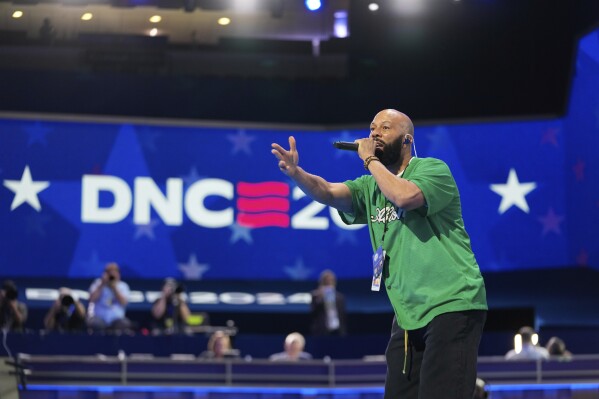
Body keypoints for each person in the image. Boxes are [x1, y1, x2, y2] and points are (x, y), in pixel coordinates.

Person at [271, 109, 487, 399]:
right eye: (372, 128)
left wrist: (370, 159)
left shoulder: (433, 170)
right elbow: (327, 191)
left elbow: (405, 197)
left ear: (407, 140)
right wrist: (297, 173)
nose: (374, 134)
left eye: (385, 128)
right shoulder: (370, 187)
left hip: (451, 304)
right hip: (408, 315)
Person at [87, 262, 132, 332]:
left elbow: (124, 302)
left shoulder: (123, 286)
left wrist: (114, 288)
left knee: (124, 324)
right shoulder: (98, 283)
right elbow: (91, 299)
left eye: (114, 273)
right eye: (109, 273)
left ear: (118, 274)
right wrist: (102, 284)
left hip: (117, 319)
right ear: (105, 274)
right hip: (99, 318)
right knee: (95, 324)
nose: (111, 276)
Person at [310, 269, 347, 336]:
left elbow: (342, 315)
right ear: (321, 282)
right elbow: (313, 312)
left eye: (330, 281)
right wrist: (320, 297)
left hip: (338, 331)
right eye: (326, 282)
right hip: (321, 332)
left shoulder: (340, 297)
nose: (329, 283)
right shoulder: (315, 296)